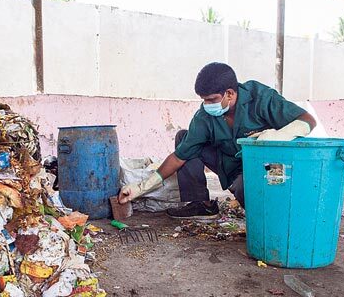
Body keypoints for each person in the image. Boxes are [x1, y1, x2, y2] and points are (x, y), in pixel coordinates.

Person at [118, 62, 317, 220]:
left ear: (229, 94)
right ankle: (201, 205)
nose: (207, 105)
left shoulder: (260, 98)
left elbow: (307, 120)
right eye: (203, 100)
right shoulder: (204, 116)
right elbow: (179, 157)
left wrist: (273, 136)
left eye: (212, 99)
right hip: (228, 164)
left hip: (266, 166)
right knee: (184, 139)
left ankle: (268, 209)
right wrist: (140, 187)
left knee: (260, 204)